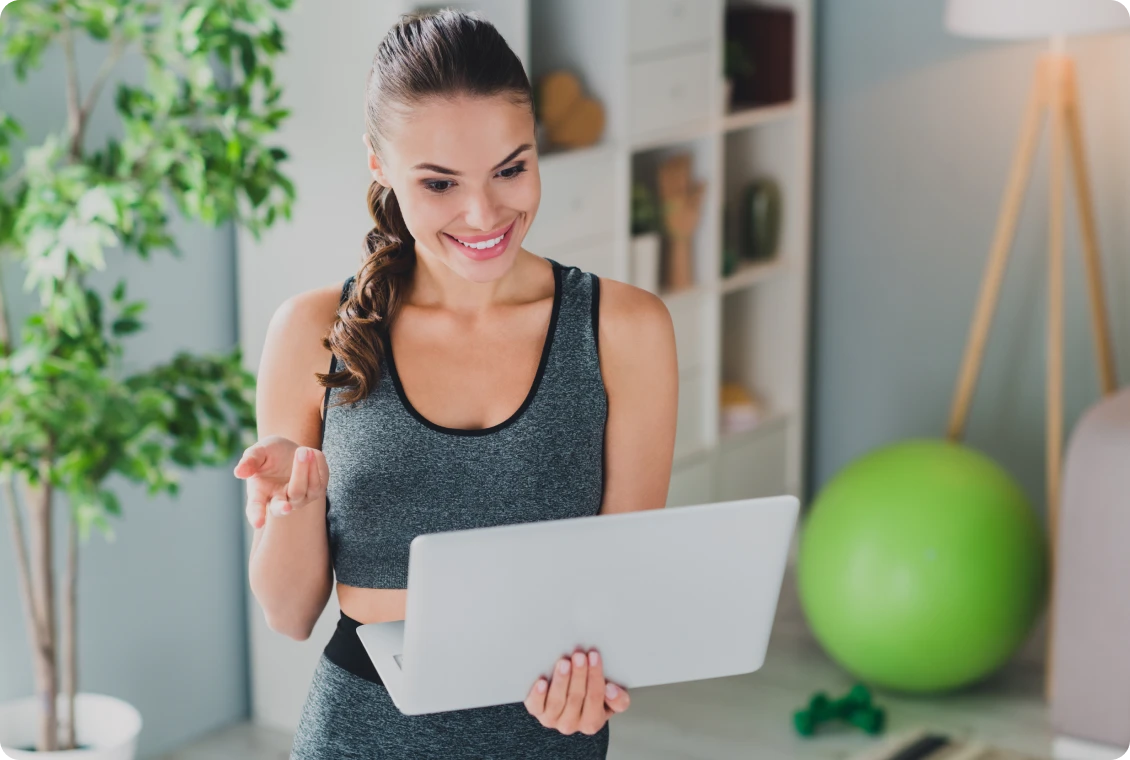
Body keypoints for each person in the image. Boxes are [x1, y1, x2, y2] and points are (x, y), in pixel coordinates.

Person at [234, 8, 678, 759]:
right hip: (357, 736)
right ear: (379, 164)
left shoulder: (622, 329)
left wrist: (598, 684)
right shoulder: (313, 329)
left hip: (546, 736)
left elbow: (617, 595)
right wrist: (294, 506)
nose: (484, 214)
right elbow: (288, 612)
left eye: (512, 168)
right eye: (439, 183)